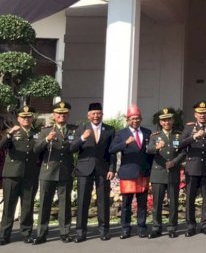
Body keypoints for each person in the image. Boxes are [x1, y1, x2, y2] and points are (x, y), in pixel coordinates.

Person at [71, 102, 116, 242]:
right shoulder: (80, 129)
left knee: (103, 201)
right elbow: (72, 148)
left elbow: (112, 152)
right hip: (84, 169)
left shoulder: (110, 130)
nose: (96, 116)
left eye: (98, 113)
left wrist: (112, 169)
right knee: (83, 201)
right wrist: (83, 138)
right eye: (93, 113)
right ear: (88, 115)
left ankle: (103, 230)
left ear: (102, 114)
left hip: (103, 169)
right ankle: (80, 232)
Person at [33, 101, 76, 244]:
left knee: (65, 204)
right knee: (45, 203)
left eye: (64, 114)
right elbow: (36, 149)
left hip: (65, 171)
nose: (61, 116)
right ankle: (41, 233)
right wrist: (47, 139)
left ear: (68, 115)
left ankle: (65, 232)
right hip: (48, 171)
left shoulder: (73, 130)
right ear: (54, 115)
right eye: (59, 113)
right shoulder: (45, 130)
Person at [109, 104, 152, 239]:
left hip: (143, 172)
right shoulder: (121, 133)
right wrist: (125, 143)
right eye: (132, 118)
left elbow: (150, 153)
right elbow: (112, 149)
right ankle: (125, 228)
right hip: (128, 173)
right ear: (128, 119)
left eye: (137, 118)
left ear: (141, 119)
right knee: (126, 203)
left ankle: (141, 227)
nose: (135, 121)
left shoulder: (147, 132)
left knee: (142, 203)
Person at [0, 105, 40, 245]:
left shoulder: (38, 132)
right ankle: (4, 235)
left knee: (27, 206)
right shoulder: (11, 132)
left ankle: (26, 233)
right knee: (9, 206)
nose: (26, 119)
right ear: (18, 119)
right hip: (12, 174)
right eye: (23, 117)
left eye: (28, 117)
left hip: (30, 174)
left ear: (32, 118)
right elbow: (1, 146)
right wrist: (10, 133)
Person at [179, 100, 206, 236]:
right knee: (190, 198)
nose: (202, 115)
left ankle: (205, 225)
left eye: (205, 113)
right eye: (200, 113)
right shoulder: (189, 128)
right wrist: (194, 137)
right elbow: (179, 144)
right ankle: (190, 225)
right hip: (192, 167)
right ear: (195, 114)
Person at [146, 107, 185, 238]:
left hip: (173, 172)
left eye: (168, 120)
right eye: (163, 120)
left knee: (173, 201)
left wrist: (174, 162)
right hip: (158, 173)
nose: (166, 122)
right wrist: (156, 147)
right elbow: (148, 149)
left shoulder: (178, 135)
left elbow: (183, 152)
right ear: (160, 122)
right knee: (157, 203)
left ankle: (172, 227)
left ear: (173, 120)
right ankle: (156, 227)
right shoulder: (155, 136)